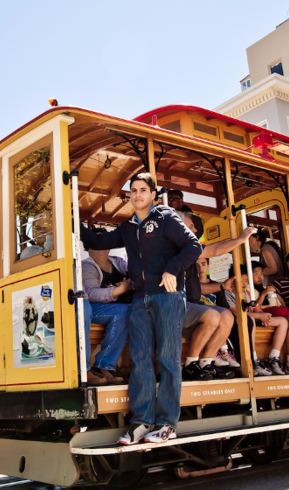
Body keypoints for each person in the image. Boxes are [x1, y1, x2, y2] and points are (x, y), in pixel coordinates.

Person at [80, 172, 202, 446]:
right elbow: (99, 242)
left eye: (142, 190)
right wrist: (71, 218)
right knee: (141, 363)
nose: (137, 195)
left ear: (152, 195)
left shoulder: (166, 217)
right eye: (133, 190)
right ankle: (141, 423)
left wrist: (172, 269)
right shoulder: (129, 227)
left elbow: (193, 247)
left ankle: (167, 424)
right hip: (139, 301)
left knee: (169, 361)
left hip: (168, 298)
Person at [177, 211, 254, 381]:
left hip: (191, 304)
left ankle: (206, 361)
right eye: (191, 226)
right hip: (175, 306)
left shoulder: (188, 249)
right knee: (212, 315)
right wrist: (240, 239)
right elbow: (216, 250)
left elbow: (196, 290)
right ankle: (190, 364)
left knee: (227, 316)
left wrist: (221, 286)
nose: (195, 229)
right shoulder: (179, 247)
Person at [81, 227, 132, 385]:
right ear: (88, 246)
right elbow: (92, 294)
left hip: (118, 307)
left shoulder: (118, 262)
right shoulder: (86, 266)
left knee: (126, 311)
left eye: (104, 240)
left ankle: (103, 366)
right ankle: (84, 368)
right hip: (93, 309)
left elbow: (135, 276)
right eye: (96, 241)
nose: (101, 244)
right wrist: (121, 289)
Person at [227, 265, 289, 376]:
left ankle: (274, 356)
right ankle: (253, 357)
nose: (244, 284)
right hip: (240, 322)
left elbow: (257, 309)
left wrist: (266, 317)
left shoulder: (247, 293)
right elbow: (236, 313)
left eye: (246, 281)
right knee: (250, 319)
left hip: (254, 319)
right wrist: (259, 317)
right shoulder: (228, 293)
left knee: (283, 321)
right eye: (242, 280)